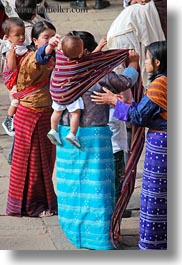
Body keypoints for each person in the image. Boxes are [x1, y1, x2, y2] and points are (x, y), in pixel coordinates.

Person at [55, 30, 140, 250]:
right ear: (86, 52)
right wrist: (133, 63)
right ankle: (100, 237)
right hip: (95, 137)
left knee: (72, 186)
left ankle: (75, 233)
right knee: (98, 188)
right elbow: (125, 81)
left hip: (66, 137)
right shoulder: (98, 74)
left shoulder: (60, 71)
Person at [91, 40, 167, 250]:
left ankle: (155, 243)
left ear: (158, 62)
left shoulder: (161, 84)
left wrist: (115, 103)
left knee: (156, 194)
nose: (145, 63)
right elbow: (147, 110)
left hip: (162, 144)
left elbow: (139, 116)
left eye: (148, 59)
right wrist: (121, 102)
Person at [6, 20, 58, 218]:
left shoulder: (53, 56)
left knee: (45, 162)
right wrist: (50, 46)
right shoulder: (31, 58)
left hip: (44, 114)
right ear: (35, 41)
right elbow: (40, 58)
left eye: (53, 36)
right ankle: (31, 205)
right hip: (31, 116)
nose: (51, 41)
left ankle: (41, 201)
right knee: (32, 164)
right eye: (46, 38)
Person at [48, 35, 107, 148]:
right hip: (69, 95)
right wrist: (99, 46)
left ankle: (53, 130)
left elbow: (60, 47)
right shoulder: (79, 64)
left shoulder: (59, 56)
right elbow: (93, 56)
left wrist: (60, 43)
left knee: (57, 112)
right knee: (75, 113)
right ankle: (72, 134)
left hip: (55, 92)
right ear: (81, 54)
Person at [1, 17, 28, 137]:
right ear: (7, 37)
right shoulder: (9, 49)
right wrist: (11, 53)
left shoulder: (23, 46)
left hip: (20, 79)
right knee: (15, 101)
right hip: (13, 81)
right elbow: (11, 67)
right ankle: (8, 119)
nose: (21, 38)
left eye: (22, 34)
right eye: (17, 35)